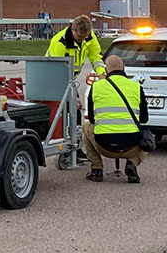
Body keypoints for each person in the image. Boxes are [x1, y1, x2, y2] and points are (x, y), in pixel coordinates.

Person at [82, 55, 148, 183]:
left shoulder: (96, 87)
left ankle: (96, 168)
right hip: (131, 147)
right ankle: (132, 163)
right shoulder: (136, 87)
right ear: (124, 68)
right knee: (146, 134)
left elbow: (92, 118)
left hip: (104, 146)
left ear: (106, 70)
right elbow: (144, 119)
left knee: (86, 126)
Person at [46, 14, 106, 79]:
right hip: (52, 76)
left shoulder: (90, 37)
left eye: (85, 36)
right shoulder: (60, 42)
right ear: (73, 29)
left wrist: (101, 74)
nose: (83, 39)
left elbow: (96, 57)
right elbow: (58, 69)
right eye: (80, 36)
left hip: (72, 77)